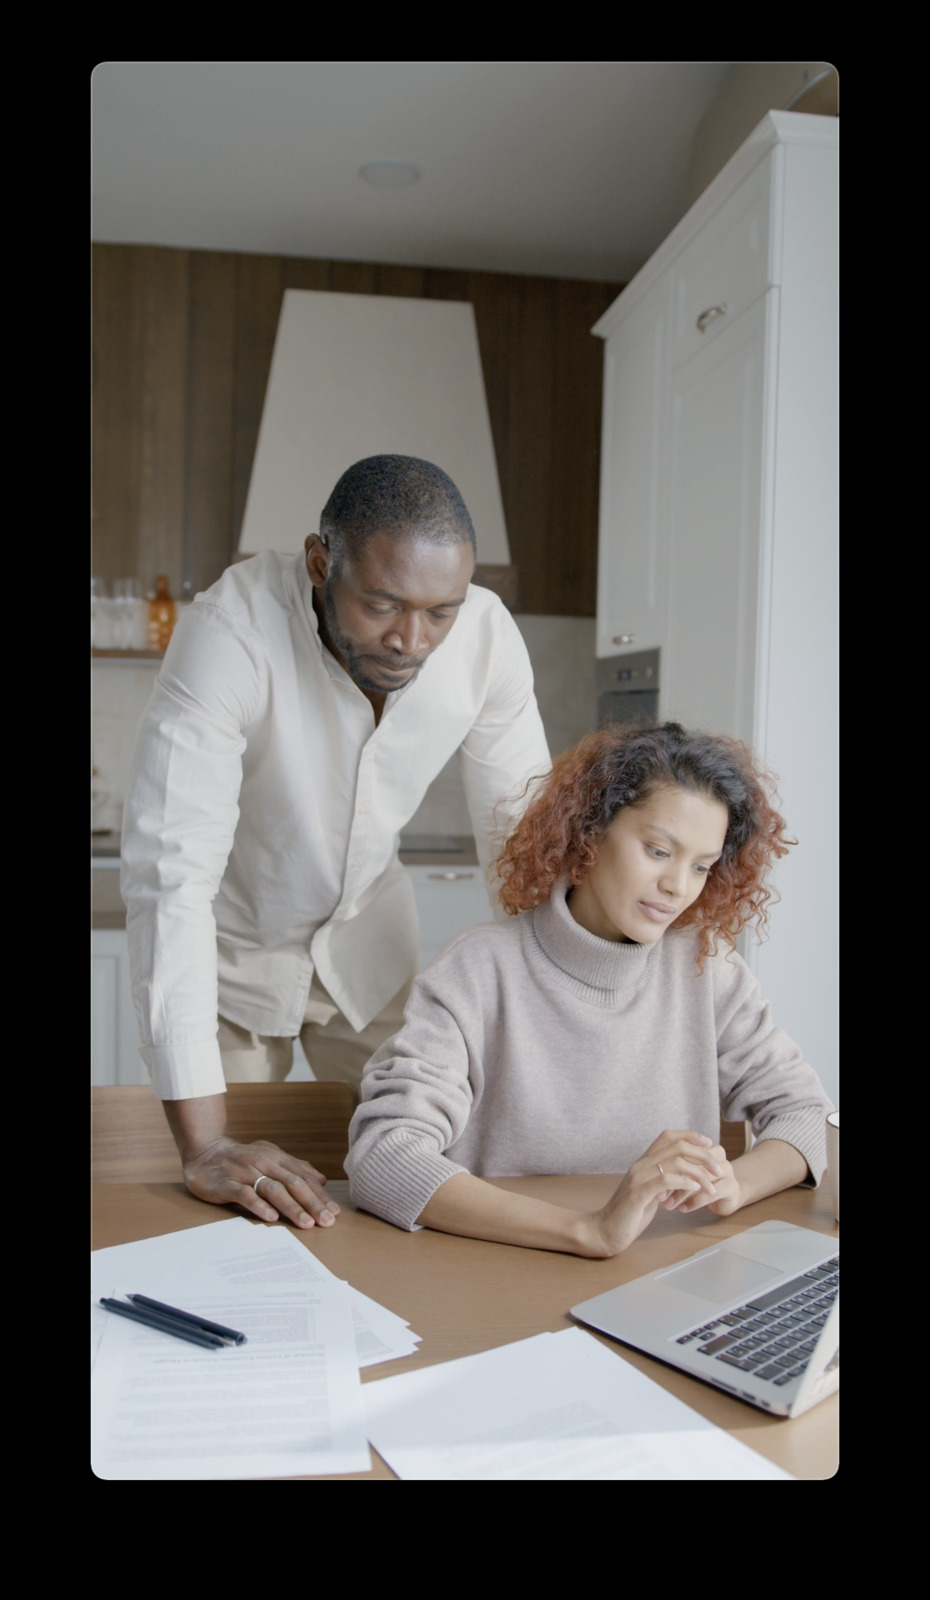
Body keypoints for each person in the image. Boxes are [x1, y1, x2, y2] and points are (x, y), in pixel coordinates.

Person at [121, 455, 550, 1234]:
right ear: (322, 562)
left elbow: (523, 843)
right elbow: (170, 881)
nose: (410, 641)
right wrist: (208, 1141)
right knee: (236, 1203)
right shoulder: (230, 634)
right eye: (382, 602)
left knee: (442, 1161)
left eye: (438, 612)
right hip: (232, 963)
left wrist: (556, 1011)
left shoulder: (485, 635)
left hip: (369, 949)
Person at [346, 721, 833, 1258]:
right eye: (656, 850)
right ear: (590, 833)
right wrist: (589, 1230)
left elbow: (807, 1115)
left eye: (701, 866)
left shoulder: (707, 968)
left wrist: (732, 1186)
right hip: (503, 1266)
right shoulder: (479, 968)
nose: (678, 886)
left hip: (657, 1272)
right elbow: (385, 1155)